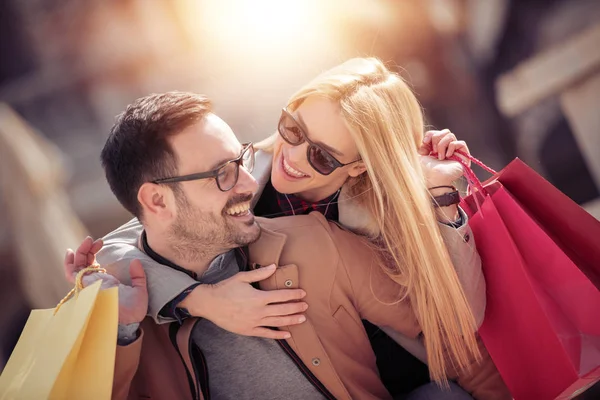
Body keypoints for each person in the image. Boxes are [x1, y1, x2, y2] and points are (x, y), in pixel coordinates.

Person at [65, 90, 509, 399]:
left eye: (239, 159)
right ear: (156, 200)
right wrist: (126, 329)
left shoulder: (312, 244)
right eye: (221, 173)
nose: (246, 182)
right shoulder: (119, 306)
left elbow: (452, 338)